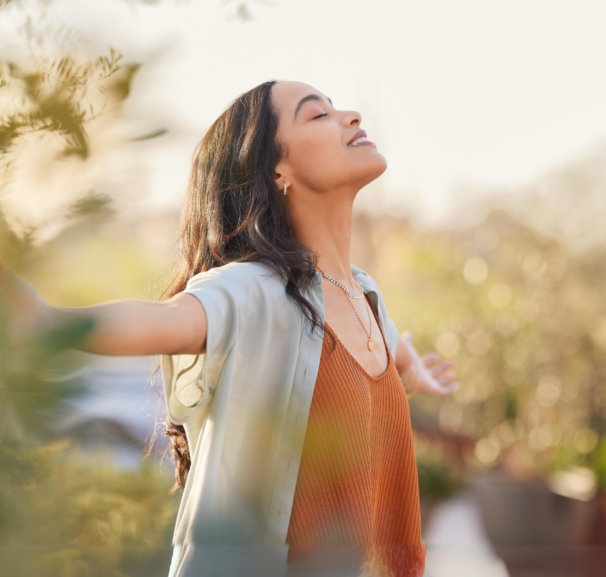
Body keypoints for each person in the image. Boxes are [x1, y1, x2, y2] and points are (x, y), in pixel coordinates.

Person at [0, 80, 457, 577]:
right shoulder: (255, 291)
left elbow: (389, 347)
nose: (350, 115)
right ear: (277, 169)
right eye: (317, 115)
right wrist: (44, 323)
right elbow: (169, 319)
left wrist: (411, 370)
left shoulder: (366, 297)